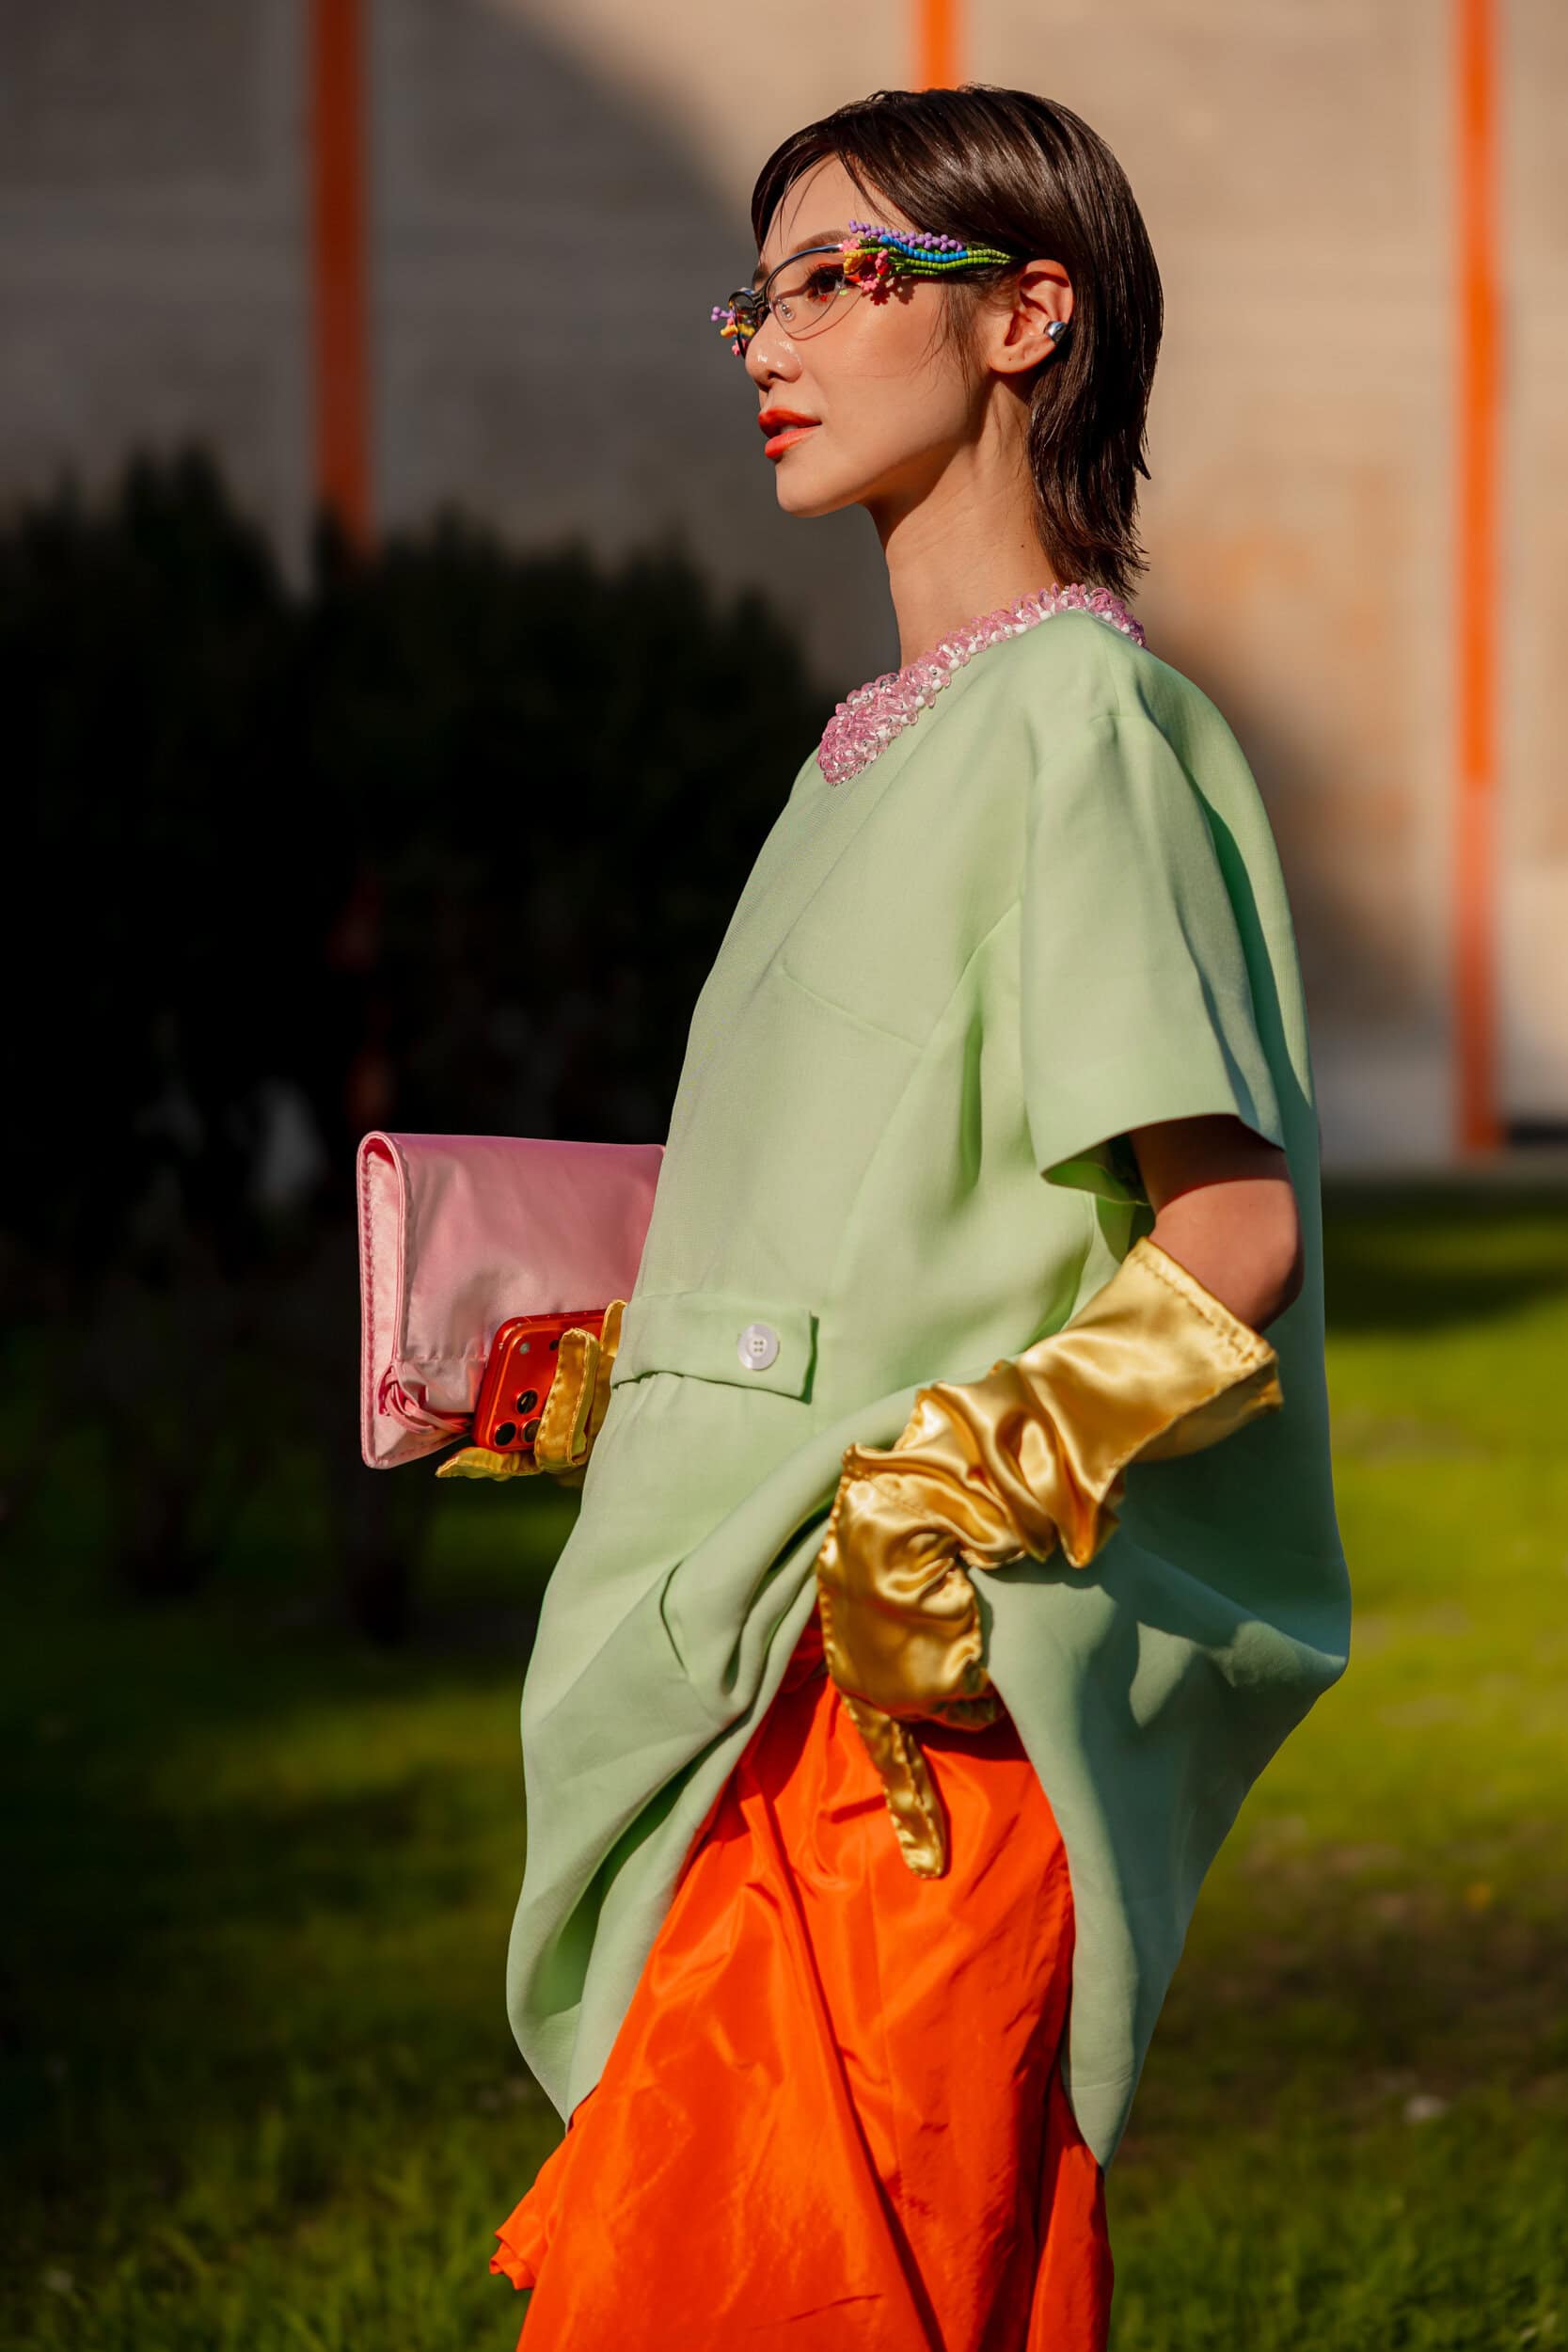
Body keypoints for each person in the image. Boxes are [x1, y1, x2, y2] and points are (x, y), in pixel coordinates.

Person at [484, 83, 1351, 2349]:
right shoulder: (856, 753)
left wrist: (944, 1495)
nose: (769, 340)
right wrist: (609, 1371)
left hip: (908, 1722)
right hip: (746, 1664)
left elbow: (1232, 1231)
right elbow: (872, 1224)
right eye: (754, 296)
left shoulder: (1083, 720)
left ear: (1025, 316)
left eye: (837, 280)